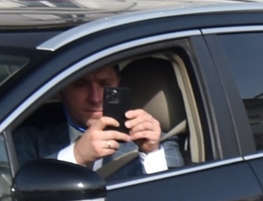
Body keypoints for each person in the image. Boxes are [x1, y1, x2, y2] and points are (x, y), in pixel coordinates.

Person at [17, 62, 182, 176]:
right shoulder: (30, 142)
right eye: (80, 84)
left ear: (118, 84)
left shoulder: (156, 142)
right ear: (60, 91)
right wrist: (76, 156)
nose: (95, 98)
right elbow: (11, 198)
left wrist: (151, 154)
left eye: (104, 84)